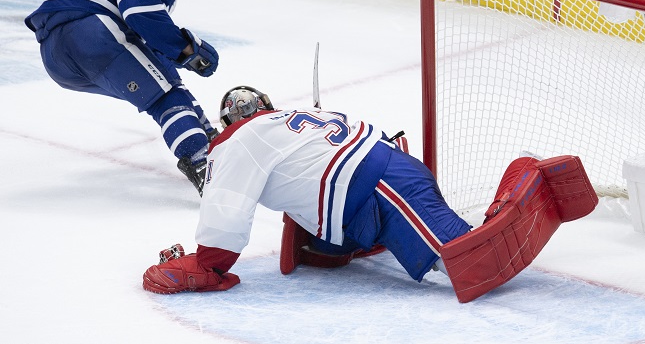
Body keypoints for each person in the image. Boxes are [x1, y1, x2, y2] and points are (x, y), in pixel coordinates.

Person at [142, 85, 599, 302]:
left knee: (471, 262)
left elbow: (227, 207)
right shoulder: (292, 120)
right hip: (379, 183)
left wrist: (206, 265)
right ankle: (378, 238)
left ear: (229, 122)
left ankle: (527, 169)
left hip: (383, 185)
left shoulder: (239, 140)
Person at [24, 0, 218, 196]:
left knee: (164, 85)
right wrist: (184, 46)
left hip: (59, 55)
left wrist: (175, 56)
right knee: (165, 96)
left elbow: (146, 42)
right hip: (90, 31)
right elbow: (139, 8)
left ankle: (208, 140)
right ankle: (206, 166)